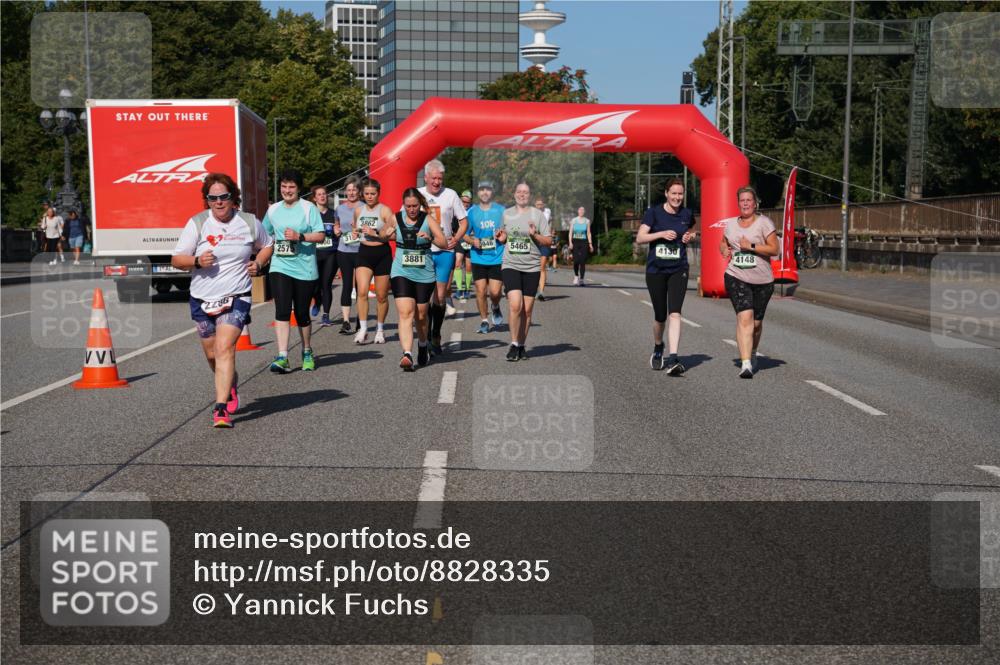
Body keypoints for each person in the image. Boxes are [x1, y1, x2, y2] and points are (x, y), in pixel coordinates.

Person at [172, 173, 273, 427]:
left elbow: (267, 245)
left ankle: (220, 408)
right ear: (207, 200)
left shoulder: (249, 222)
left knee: (224, 347)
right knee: (211, 354)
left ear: (233, 197)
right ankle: (230, 383)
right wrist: (196, 261)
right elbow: (177, 259)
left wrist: (259, 262)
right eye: (212, 198)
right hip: (202, 297)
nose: (218, 202)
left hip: (237, 294)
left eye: (223, 197)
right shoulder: (197, 223)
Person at [263, 169, 326, 373]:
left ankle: (307, 350)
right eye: (284, 186)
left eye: (291, 187)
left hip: (304, 267)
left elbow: (321, 235)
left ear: (298, 189)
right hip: (280, 265)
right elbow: (265, 234)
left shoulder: (309, 209)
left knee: (301, 313)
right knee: (282, 310)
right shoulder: (273, 210)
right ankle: (282, 356)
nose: (287, 190)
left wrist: (301, 236)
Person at [637, 178, 696, 375]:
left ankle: (673, 358)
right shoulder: (653, 213)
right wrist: (660, 234)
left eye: (680, 194)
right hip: (656, 270)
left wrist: (690, 236)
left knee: (676, 312)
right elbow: (640, 237)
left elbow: (690, 230)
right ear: (666, 193)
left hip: (679, 269)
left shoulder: (686, 214)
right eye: (674, 193)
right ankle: (658, 346)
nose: (677, 197)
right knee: (660, 316)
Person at [719, 186, 779, 379]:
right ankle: (745, 364)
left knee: (756, 323)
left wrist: (751, 246)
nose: (745, 203)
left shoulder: (764, 223)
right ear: (738, 203)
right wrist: (723, 249)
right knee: (745, 318)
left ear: (755, 203)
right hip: (736, 276)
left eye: (748, 200)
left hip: (763, 280)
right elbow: (723, 241)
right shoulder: (730, 224)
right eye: (742, 200)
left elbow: (774, 250)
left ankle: (752, 352)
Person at [391, 188, 448, 370]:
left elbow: (443, 243)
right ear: (404, 205)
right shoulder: (396, 218)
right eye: (408, 206)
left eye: (415, 206)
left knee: (421, 316)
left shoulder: (427, 219)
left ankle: (423, 344)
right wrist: (381, 233)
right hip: (401, 271)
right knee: (405, 313)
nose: (412, 209)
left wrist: (429, 237)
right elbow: (384, 233)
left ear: (420, 205)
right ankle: (407, 353)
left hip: (424, 273)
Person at [498, 182, 551, 361]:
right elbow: (503, 237)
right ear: (514, 194)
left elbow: (548, 241)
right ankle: (513, 344)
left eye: (525, 192)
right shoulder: (506, 214)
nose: (522, 195)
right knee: (515, 305)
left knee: (527, 310)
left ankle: (521, 345)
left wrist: (534, 235)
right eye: (519, 192)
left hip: (532, 267)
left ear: (529, 195)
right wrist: (501, 238)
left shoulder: (538, 215)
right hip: (510, 264)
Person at [419, 159, 467, 355]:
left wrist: (456, 238)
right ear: (426, 177)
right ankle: (426, 336)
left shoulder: (451, 195)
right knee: (423, 298)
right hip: (423, 251)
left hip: (445, 251)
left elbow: (464, 222)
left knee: (439, 296)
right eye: (434, 178)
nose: (437, 182)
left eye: (440, 178)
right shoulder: (418, 195)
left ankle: (435, 334)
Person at [353, 178, 395, 345]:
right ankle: (363, 329)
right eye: (367, 194)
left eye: (373, 194)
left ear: (378, 194)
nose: (370, 196)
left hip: (381, 252)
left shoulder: (385, 211)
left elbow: (392, 235)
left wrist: (375, 232)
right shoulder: (358, 211)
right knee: (362, 292)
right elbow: (355, 228)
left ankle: (380, 329)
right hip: (364, 252)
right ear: (362, 194)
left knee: (381, 295)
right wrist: (355, 233)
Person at [466, 180, 506, 335]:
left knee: (495, 292)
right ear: (478, 192)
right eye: (482, 189)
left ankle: (495, 306)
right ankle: (484, 321)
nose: (484, 192)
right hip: (478, 257)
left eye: (488, 189)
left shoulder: (501, 210)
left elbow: (509, 230)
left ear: (492, 192)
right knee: (481, 291)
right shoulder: (472, 212)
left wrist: (504, 236)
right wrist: (472, 240)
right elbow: (464, 233)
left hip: (497, 257)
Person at [335, 177, 362, 335]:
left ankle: (361, 318)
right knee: (346, 285)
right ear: (346, 191)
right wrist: (337, 230)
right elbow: (337, 224)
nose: (351, 192)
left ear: (359, 192)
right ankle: (346, 321)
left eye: (354, 190)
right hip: (344, 250)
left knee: (361, 287)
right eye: (349, 189)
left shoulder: (364, 207)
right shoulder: (340, 208)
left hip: (360, 251)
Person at [452, 189, 475, 301]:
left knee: (469, 267)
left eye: (467, 202)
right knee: (457, 263)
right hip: (460, 240)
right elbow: (452, 225)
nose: (465, 204)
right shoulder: (456, 211)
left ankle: (466, 289)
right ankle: (459, 289)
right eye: (463, 202)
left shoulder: (473, 211)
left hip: (471, 241)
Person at [569, 206, 593, 286]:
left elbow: (588, 233)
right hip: (575, 241)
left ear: (584, 212)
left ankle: (582, 279)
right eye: (580, 210)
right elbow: (570, 233)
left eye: (583, 210)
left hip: (584, 242)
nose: (581, 211)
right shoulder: (574, 220)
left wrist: (590, 244)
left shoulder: (587, 221)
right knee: (576, 261)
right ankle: (576, 276)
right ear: (578, 211)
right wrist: (570, 243)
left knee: (582, 261)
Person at [533, 197, 552, 300]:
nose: (539, 206)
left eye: (541, 204)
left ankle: (541, 292)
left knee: (542, 266)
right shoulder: (531, 214)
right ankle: (534, 289)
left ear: (543, 205)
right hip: (534, 243)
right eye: (537, 204)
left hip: (544, 242)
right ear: (535, 205)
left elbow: (550, 225)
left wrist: (550, 236)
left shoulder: (547, 212)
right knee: (534, 267)